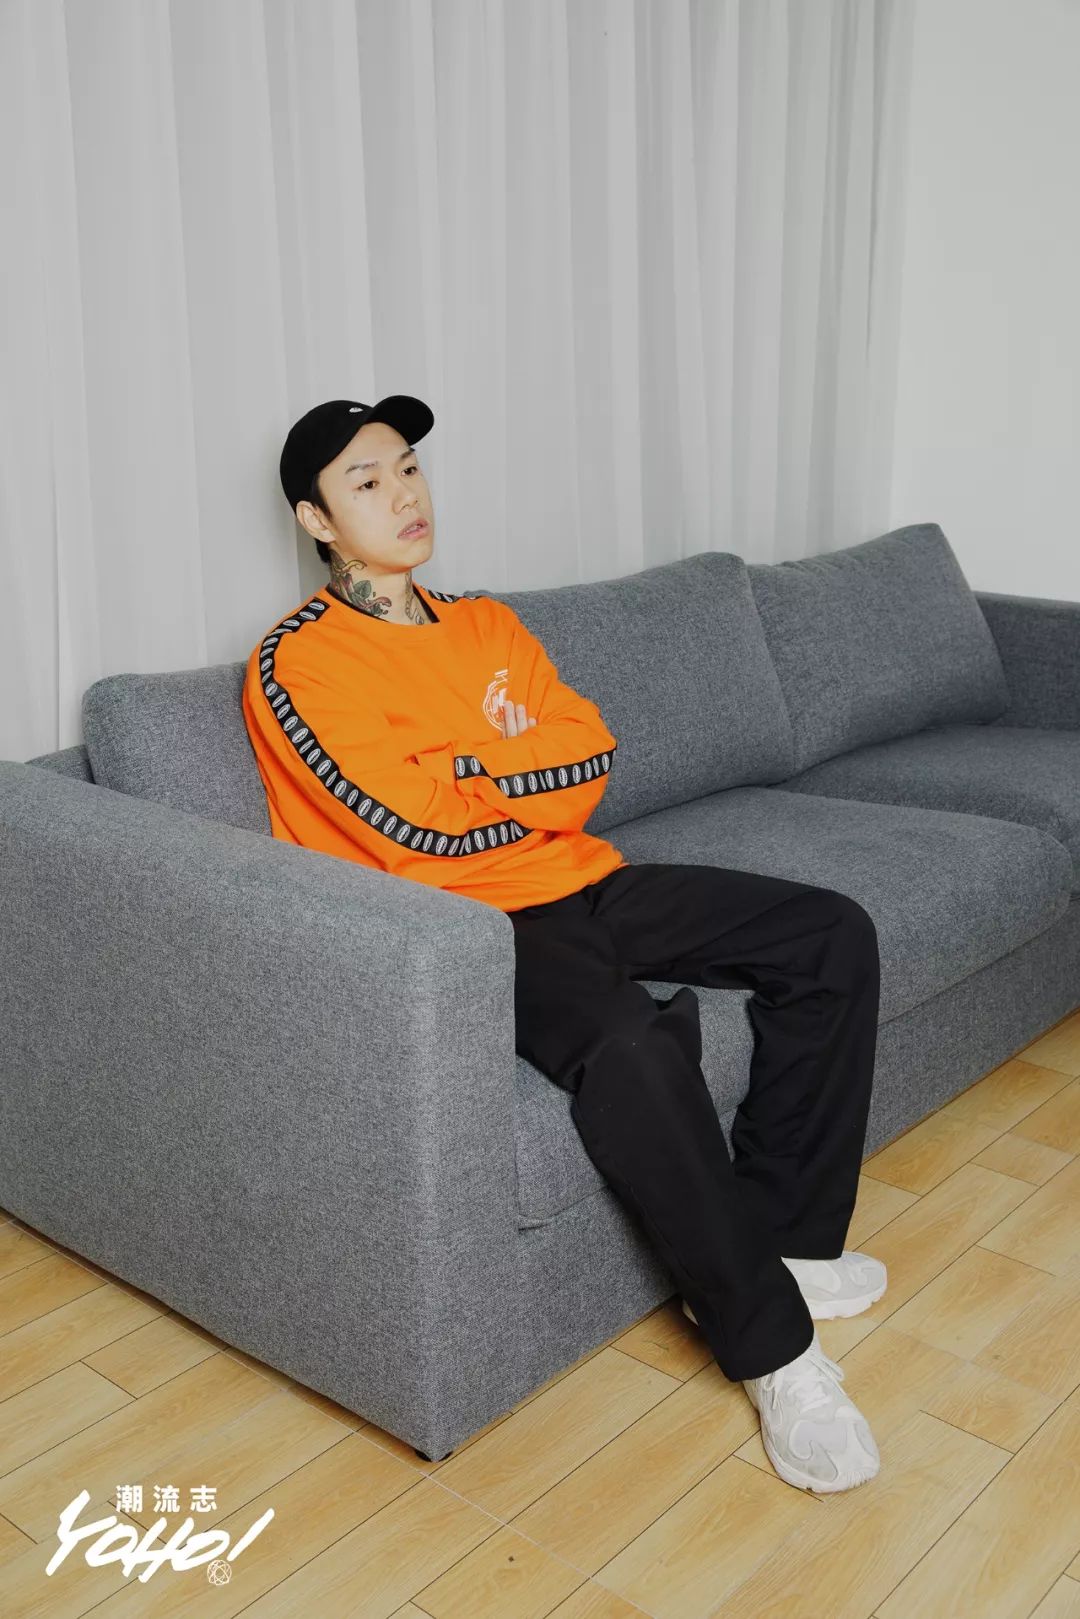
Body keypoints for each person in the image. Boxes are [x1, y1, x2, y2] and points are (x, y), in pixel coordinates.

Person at [242, 394, 887, 1494]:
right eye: (366, 481)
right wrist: (511, 775)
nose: (404, 494)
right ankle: (776, 1353)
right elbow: (407, 829)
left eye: (408, 467)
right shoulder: (297, 663)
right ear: (315, 518)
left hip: (584, 878)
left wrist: (464, 771)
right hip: (469, 927)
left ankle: (782, 1234)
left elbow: (589, 758)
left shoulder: (487, 624)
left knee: (829, 932)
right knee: (629, 1050)